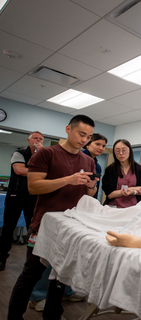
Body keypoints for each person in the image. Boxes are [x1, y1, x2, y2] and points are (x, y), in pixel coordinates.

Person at [8, 115, 99, 320]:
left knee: (60, 276)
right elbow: (34, 187)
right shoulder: (46, 154)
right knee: (31, 274)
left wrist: (91, 186)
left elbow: (88, 194)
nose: (84, 140)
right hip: (44, 225)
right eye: (81, 134)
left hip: (71, 226)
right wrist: (69, 179)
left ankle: (52, 315)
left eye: (89, 137)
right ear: (68, 129)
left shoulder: (88, 161)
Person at [0, 131, 43, 271]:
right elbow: (19, 170)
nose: (38, 140)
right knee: (8, 228)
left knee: (33, 229)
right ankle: (1, 258)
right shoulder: (18, 154)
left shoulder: (42, 155)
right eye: (35, 138)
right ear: (28, 140)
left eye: (41, 139)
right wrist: (39, 171)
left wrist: (40, 155)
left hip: (33, 196)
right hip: (15, 196)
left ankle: (30, 262)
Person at [102, 139, 141, 208]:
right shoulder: (110, 170)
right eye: (117, 151)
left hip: (134, 207)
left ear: (130, 151)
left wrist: (133, 191)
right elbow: (109, 194)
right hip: (114, 207)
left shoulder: (140, 169)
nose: (121, 153)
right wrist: (131, 189)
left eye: (124, 150)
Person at [82, 133, 107, 199]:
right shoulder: (78, 159)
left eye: (103, 146)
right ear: (87, 145)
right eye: (97, 144)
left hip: (89, 202)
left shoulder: (98, 166)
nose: (101, 148)